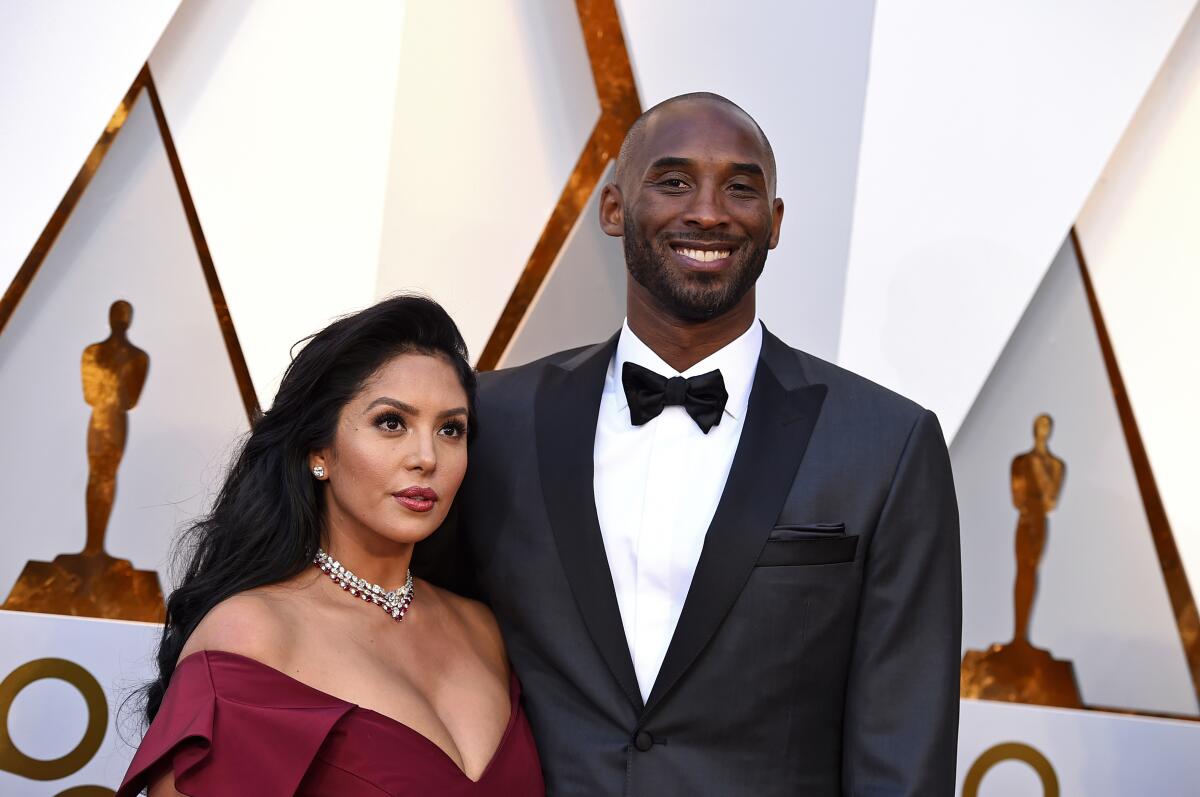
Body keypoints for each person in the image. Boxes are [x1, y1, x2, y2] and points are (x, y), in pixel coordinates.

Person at [440, 93, 962, 795]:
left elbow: (901, 750)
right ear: (614, 208)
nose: (710, 211)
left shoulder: (887, 444)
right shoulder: (493, 419)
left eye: (741, 188)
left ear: (774, 224)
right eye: (674, 181)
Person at [118, 296, 544, 796]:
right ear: (318, 451)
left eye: (451, 429)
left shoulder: (483, 629)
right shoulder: (252, 633)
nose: (427, 457)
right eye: (392, 422)